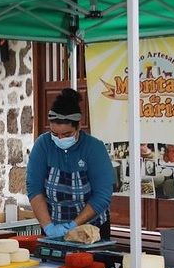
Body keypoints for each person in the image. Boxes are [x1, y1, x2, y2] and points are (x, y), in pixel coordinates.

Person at [26, 88, 114, 240]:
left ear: (78, 127)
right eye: (55, 134)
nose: (60, 138)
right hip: (52, 226)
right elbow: (34, 188)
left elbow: (102, 195)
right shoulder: (43, 145)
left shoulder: (94, 148)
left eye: (66, 134)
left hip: (91, 229)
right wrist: (48, 226)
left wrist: (73, 225)